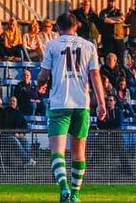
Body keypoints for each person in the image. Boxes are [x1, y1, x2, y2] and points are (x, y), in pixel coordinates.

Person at [38, 12, 107, 203]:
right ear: (76, 26)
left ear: (58, 28)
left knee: (57, 151)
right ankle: (75, 194)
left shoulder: (52, 45)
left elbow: (43, 74)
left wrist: (40, 84)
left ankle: (64, 188)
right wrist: (101, 103)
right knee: (79, 152)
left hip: (60, 103)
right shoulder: (89, 46)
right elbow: (95, 76)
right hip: (81, 104)